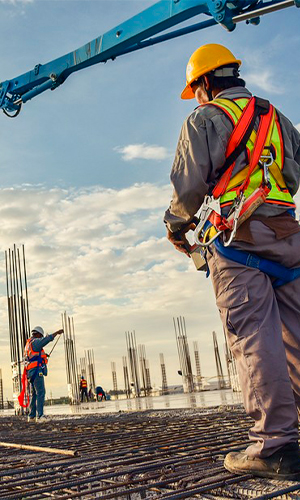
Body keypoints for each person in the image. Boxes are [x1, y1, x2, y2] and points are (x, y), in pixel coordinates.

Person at [165, 44, 300, 480]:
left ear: (204, 82)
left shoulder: (203, 119)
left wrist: (175, 226)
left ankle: (274, 446)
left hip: (237, 242)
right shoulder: (278, 117)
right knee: (297, 338)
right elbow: (293, 176)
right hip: (289, 235)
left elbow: (188, 189)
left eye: (196, 88)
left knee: (255, 340)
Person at [24, 326, 63, 422]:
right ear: (37, 334)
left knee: (34, 394)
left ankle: (32, 416)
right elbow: (46, 340)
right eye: (40, 336)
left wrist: (44, 356)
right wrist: (56, 332)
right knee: (41, 393)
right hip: (36, 371)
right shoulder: (35, 342)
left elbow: (33, 356)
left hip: (30, 371)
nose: (41, 338)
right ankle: (40, 416)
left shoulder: (28, 344)